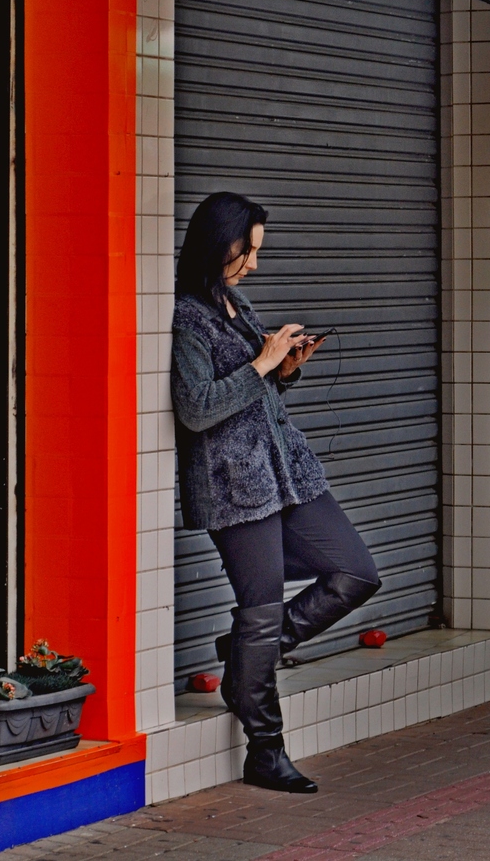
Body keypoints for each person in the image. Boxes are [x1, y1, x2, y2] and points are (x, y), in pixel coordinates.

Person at [171, 192, 380, 794]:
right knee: (260, 611)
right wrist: (262, 365)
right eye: (248, 251)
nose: (254, 264)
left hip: (289, 472)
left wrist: (284, 370)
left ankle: (244, 657)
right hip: (236, 487)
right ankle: (264, 750)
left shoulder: (235, 302)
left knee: (356, 572)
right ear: (219, 244)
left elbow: (253, 395)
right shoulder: (188, 317)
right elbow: (196, 409)